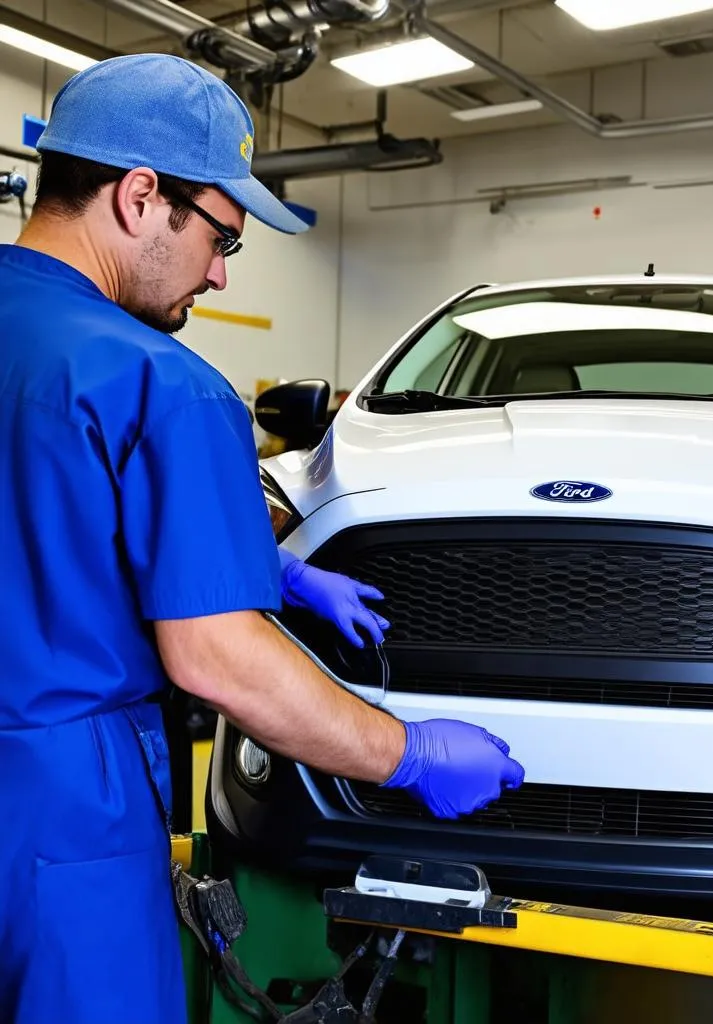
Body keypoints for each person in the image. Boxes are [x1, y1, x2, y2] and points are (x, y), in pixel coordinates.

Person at [0, 53, 525, 1024]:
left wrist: (265, 565)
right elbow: (218, 660)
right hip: (59, 812)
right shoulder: (161, 379)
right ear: (140, 196)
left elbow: (37, 507)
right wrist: (404, 750)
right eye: (220, 235)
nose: (221, 270)